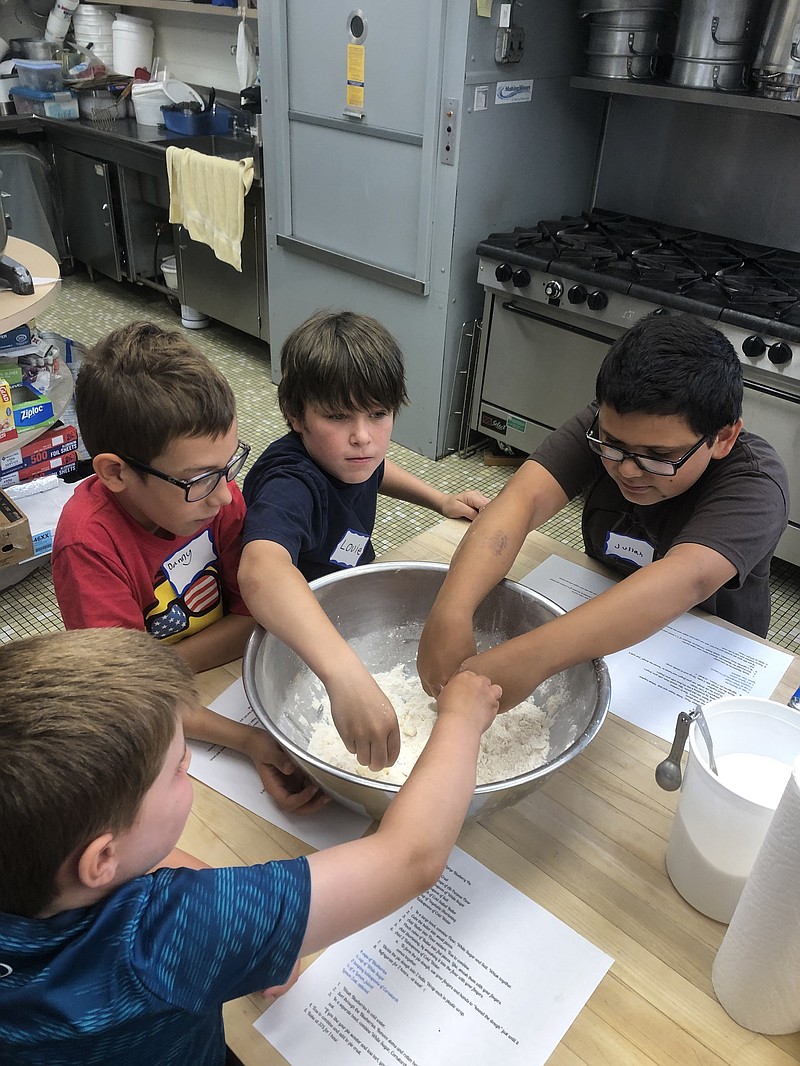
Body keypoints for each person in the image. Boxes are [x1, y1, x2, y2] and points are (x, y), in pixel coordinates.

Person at [0, 627, 501, 1066]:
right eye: (177, 767)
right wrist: (460, 718)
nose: (189, 765)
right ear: (101, 859)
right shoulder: (169, 940)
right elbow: (409, 858)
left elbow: (132, 873)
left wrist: (257, 932)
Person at [418, 313, 789, 711]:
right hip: (604, 611)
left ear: (723, 438)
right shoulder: (614, 429)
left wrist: (528, 658)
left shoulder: (755, 483)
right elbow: (521, 502)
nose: (628, 469)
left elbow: (684, 580)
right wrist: (452, 609)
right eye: (612, 445)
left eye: (659, 457)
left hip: (701, 655)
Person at [52, 321, 323, 814]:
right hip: (171, 720)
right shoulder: (88, 546)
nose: (225, 495)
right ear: (116, 472)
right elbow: (130, 696)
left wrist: (163, 671)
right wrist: (249, 741)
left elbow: (254, 617)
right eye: (198, 479)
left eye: (229, 466)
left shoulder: (215, 498)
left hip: (209, 685)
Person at [238, 309, 490, 772]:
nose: (363, 438)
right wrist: (344, 675)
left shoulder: (349, 456)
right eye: (337, 417)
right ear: (295, 416)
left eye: (379, 414)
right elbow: (261, 570)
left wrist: (440, 500)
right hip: (304, 630)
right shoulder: (290, 483)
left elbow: (374, 470)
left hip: (351, 590)